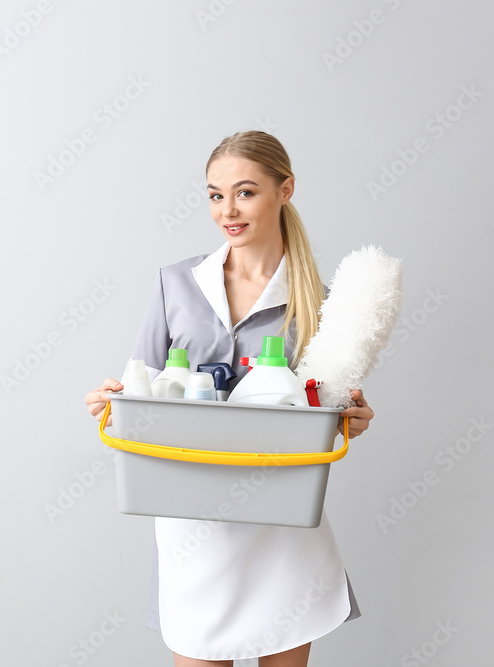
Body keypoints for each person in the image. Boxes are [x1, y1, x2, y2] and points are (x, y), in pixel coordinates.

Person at [83, 131, 375, 666]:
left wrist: (350, 417)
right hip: (192, 520)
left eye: (245, 192)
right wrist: (112, 401)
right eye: (216, 195)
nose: (227, 211)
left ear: (285, 190)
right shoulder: (176, 283)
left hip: (279, 518)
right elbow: (140, 385)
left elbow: (324, 401)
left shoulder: (320, 301)